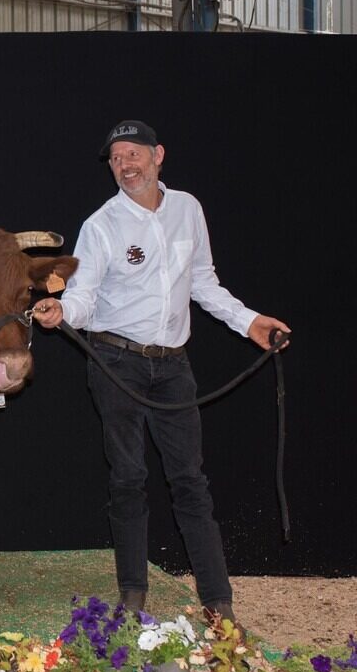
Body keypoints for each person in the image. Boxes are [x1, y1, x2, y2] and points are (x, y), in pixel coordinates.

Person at [34, 121, 289, 627]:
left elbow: (203, 282)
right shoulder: (102, 224)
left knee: (190, 480)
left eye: (134, 154)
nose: (126, 165)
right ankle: (133, 596)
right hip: (116, 362)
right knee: (128, 478)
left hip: (174, 365)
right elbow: (84, 294)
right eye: (116, 158)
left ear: (158, 157)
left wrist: (251, 322)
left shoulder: (188, 210)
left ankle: (218, 603)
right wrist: (62, 311)